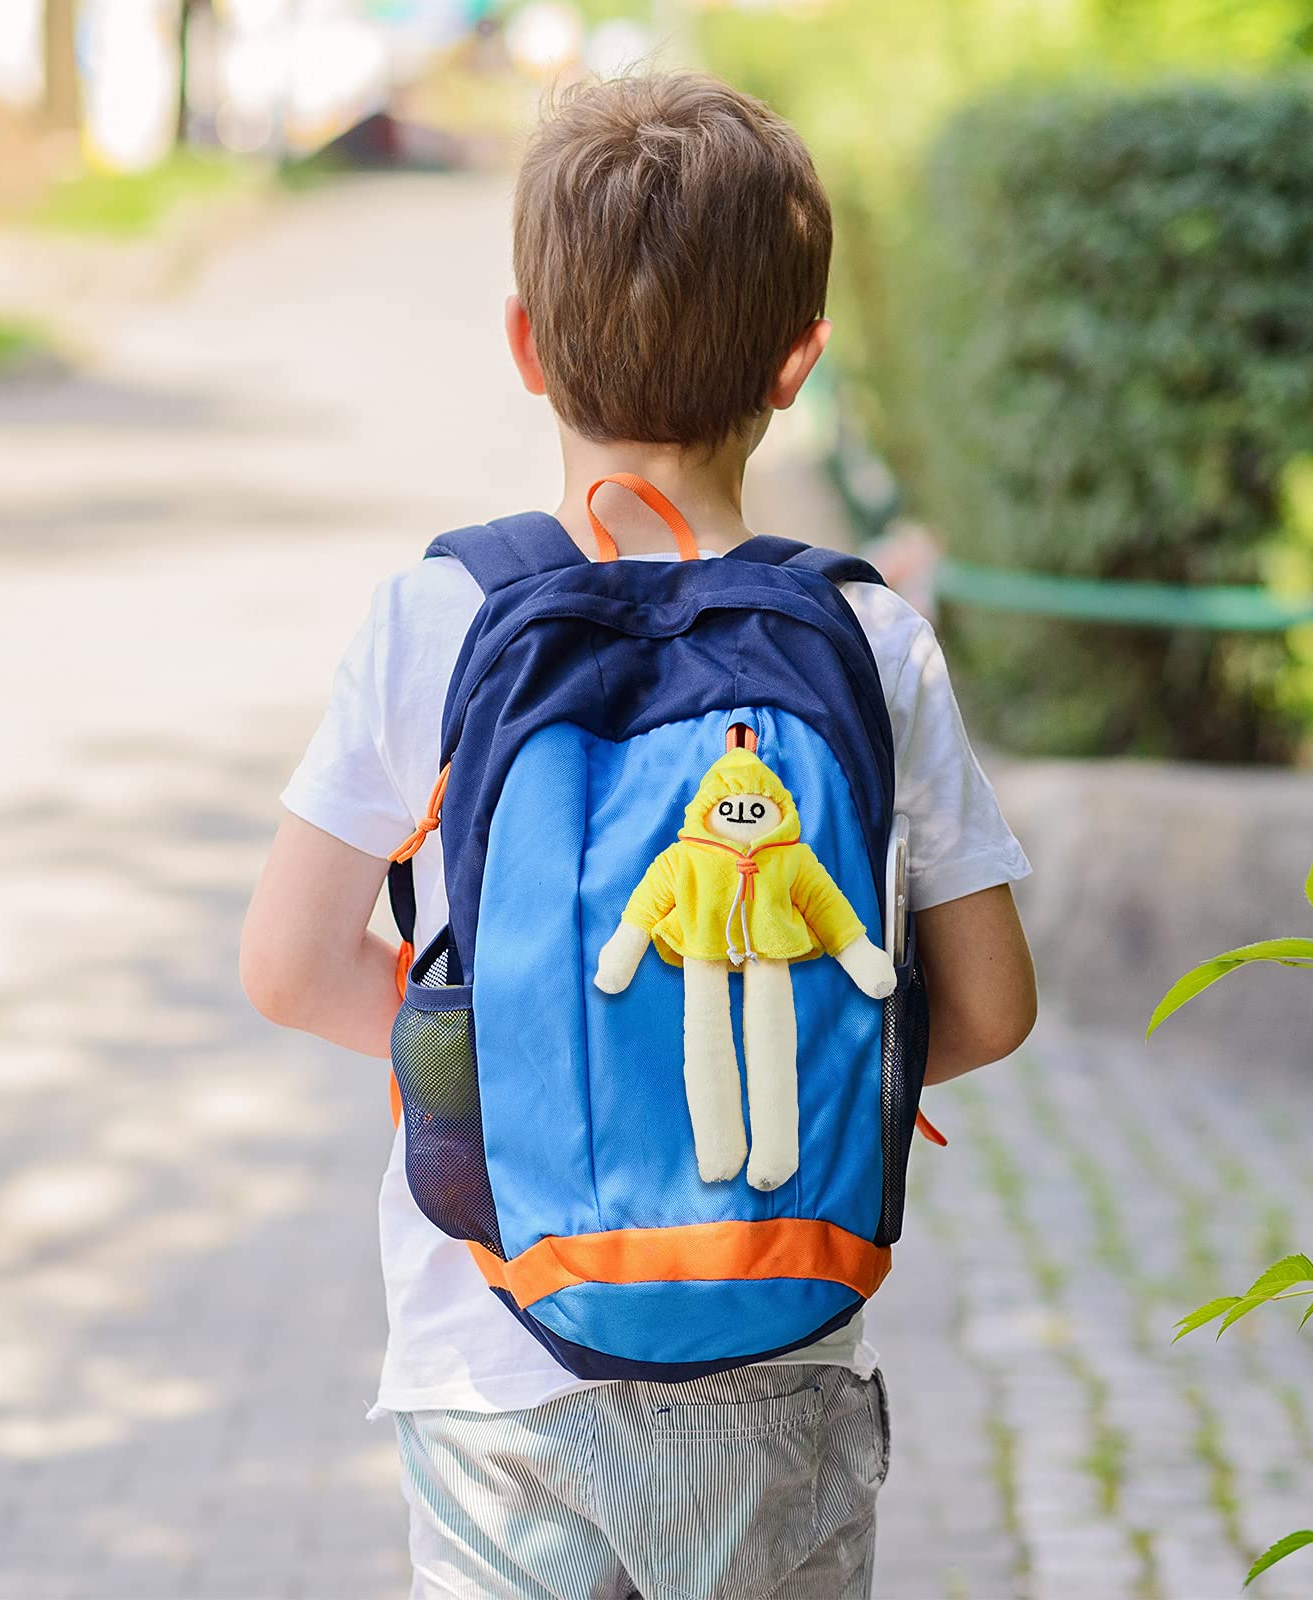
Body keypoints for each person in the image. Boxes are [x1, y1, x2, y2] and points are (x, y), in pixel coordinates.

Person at [241, 69, 1037, 1600]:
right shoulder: (870, 640)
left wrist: (538, 1064)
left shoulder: (438, 617)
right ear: (800, 361)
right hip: (769, 1328)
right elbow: (989, 1006)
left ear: (528, 349)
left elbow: (287, 966)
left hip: (490, 1353)